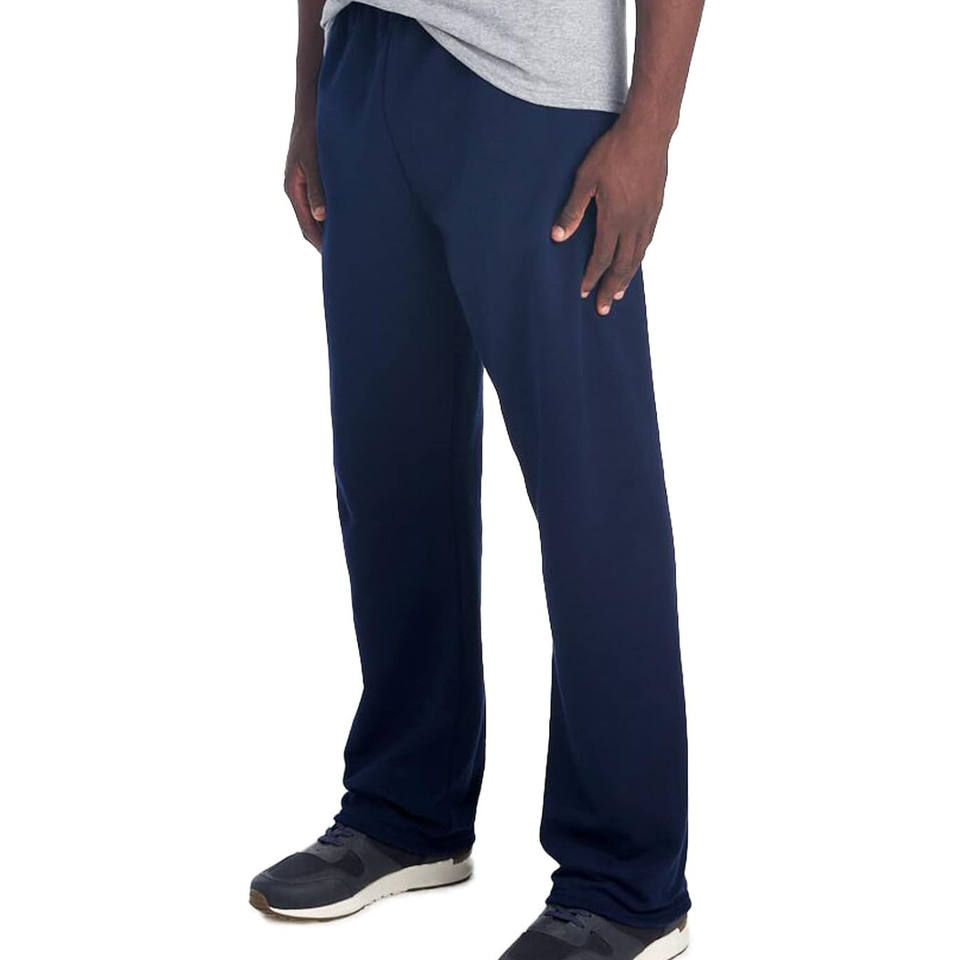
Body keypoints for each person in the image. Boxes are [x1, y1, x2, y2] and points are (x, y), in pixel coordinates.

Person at [250, 2, 704, 957]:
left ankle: (626, 884)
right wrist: (310, 89)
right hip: (365, 60)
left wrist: (650, 128)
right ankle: (405, 808)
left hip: (534, 92)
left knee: (592, 499)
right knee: (389, 471)